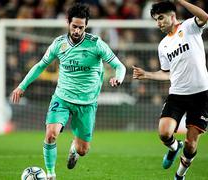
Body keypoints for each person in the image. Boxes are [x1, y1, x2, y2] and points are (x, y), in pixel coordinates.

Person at [11, 3, 126, 180]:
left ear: (86, 25)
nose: (77, 31)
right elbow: (41, 65)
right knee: (51, 134)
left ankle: (75, 147)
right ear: (68, 23)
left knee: (83, 150)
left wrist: (119, 77)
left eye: (81, 27)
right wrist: (22, 86)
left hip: (87, 103)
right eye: (74, 26)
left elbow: (119, 66)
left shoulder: (96, 44)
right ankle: (50, 174)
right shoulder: (59, 44)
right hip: (62, 98)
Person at [133, 1, 208, 180]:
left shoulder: (190, 26)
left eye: (160, 18)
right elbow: (167, 73)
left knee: (191, 145)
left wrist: (182, 1)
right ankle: (175, 147)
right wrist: (147, 74)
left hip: (201, 94)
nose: (158, 23)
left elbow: (205, 17)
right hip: (177, 94)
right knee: (164, 133)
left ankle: (179, 176)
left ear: (172, 15)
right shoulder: (163, 45)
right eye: (156, 20)